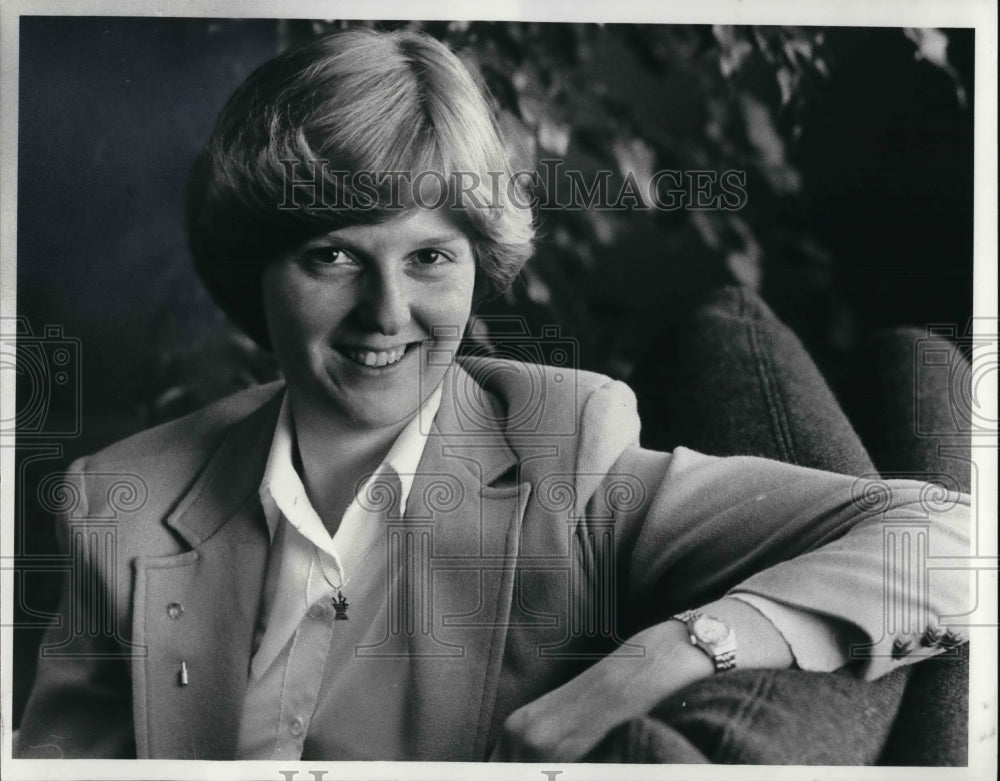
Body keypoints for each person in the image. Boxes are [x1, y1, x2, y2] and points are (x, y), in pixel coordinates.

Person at [15, 28, 970, 762]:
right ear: (253, 271)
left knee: (904, 382)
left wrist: (668, 655)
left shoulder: (567, 450)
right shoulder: (123, 504)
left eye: (431, 256)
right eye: (333, 254)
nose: (385, 312)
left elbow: (954, 538)